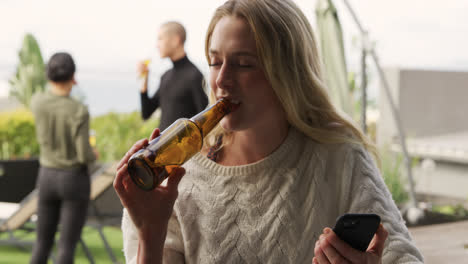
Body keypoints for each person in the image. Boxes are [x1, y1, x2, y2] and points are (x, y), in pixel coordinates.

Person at [114, 0, 424, 263]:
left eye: (244, 64)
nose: (221, 80)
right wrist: (149, 235)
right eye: (215, 61)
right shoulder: (174, 179)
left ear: (288, 73)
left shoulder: (340, 157)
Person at [30, 52, 97, 264]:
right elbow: (83, 154)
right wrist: (93, 155)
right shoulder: (79, 109)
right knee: (66, 247)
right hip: (73, 180)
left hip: (47, 177)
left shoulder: (37, 102)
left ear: (49, 74)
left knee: (41, 243)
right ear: (72, 77)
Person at [138, 21, 208, 130]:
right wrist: (144, 78)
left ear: (176, 40)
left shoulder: (194, 76)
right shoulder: (166, 76)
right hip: (161, 146)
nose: (157, 45)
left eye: (160, 38)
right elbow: (146, 113)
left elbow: (204, 120)